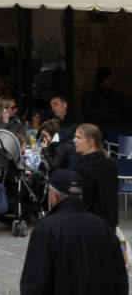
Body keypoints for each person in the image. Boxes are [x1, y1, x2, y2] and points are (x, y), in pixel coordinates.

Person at [19, 167, 128, 295]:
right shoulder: (104, 228)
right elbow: (120, 281)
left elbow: (34, 284)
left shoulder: (45, 230)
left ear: (54, 196)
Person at [73, 122, 119, 228]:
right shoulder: (109, 162)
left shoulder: (84, 169)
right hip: (108, 223)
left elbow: (84, 202)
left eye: (79, 137)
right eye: (75, 137)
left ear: (91, 142)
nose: (74, 140)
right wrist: (115, 219)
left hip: (91, 225)